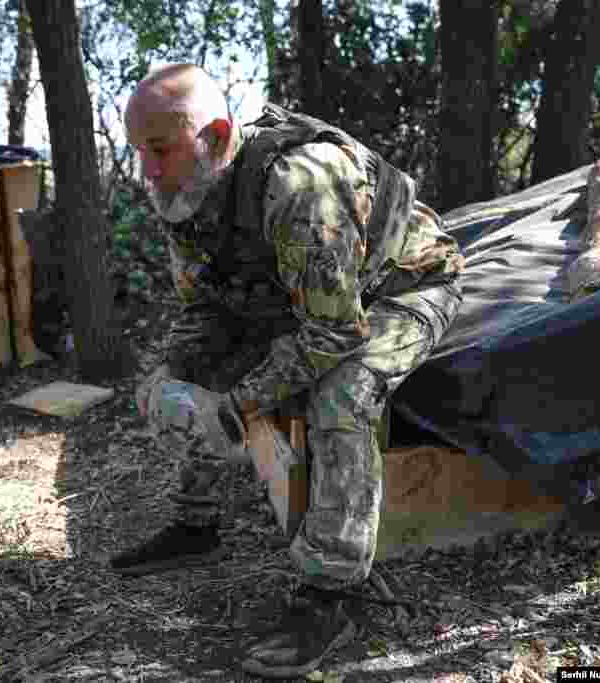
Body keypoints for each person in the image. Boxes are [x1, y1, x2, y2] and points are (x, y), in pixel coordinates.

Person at [110, 63, 465, 679]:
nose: (148, 170)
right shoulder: (187, 190)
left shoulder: (300, 186)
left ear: (216, 137)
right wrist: (168, 372)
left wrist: (234, 406)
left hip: (403, 286)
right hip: (309, 297)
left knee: (343, 394)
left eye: (160, 150)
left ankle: (332, 593)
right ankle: (196, 524)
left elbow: (337, 332)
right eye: (140, 151)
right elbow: (206, 310)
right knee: (202, 369)